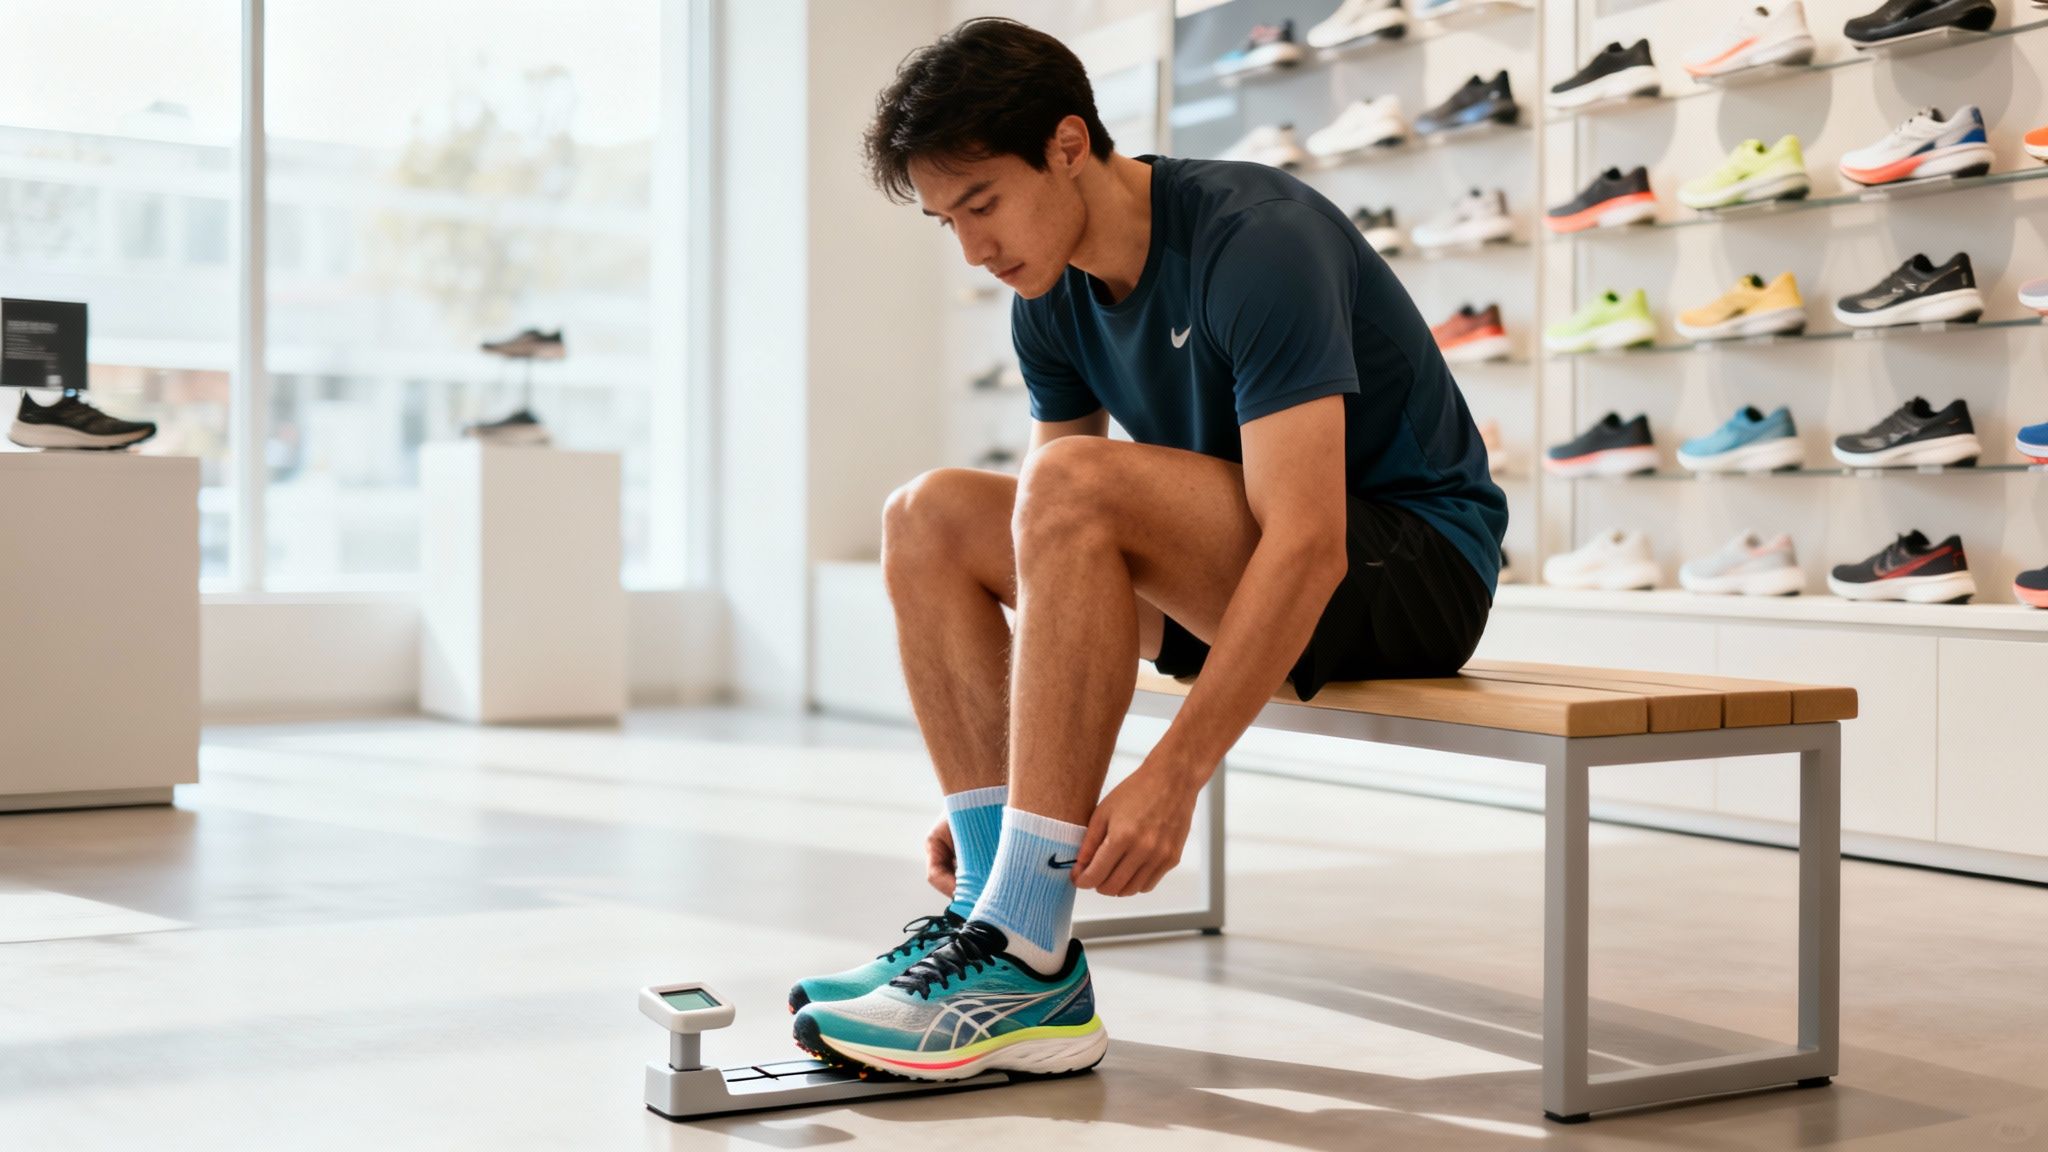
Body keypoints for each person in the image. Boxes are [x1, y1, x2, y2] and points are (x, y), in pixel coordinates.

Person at [787, 16, 1508, 1081]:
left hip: (1406, 571)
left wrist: (1173, 776)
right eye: (948, 223)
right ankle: (1005, 918)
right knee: (926, 515)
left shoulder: (1254, 236)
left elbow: (1304, 545)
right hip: (1235, 568)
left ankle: (1023, 947)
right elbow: (1047, 556)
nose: (974, 249)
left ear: (1068, 144)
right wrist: (1000, 800)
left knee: (1072, 480)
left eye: (980, 202)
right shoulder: (1048, 298)